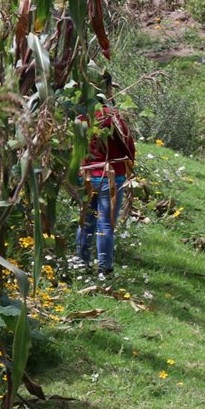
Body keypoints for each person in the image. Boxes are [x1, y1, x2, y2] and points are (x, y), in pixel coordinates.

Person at [72, 73, 136, 279]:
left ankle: (81, 262)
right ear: (106, 90)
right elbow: (129, 147)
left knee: (86, 220)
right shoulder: (111, 116)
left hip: (88, 175)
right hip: (112, 176)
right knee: (105, 224)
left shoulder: (82, 116)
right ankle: (104, 268)